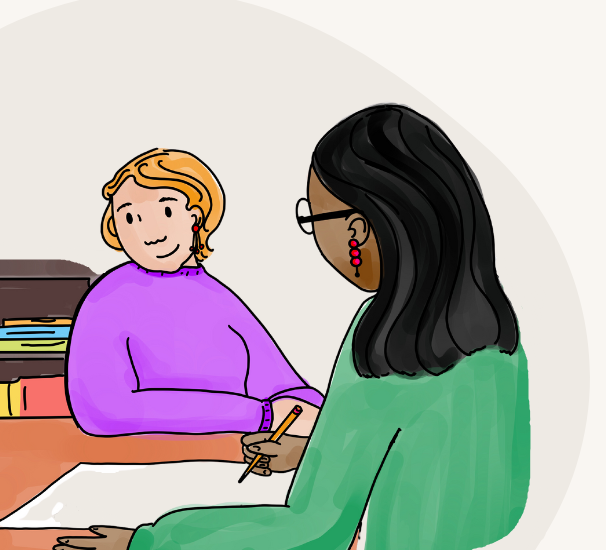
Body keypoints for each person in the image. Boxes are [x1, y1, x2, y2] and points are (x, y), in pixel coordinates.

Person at [55, 105, 530, 550]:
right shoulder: (497, 340)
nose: (148, 228)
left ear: (358, 229)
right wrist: (318, 454)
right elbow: (439, 472)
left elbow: (317, 530)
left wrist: (151, 541)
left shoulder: (380, 337)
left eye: (313, 216)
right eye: (129, 215)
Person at [65, 148, 323, 437]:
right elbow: (104, 411)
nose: (148, 231)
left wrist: (318, 413)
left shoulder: (220, 300)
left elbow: (285, 390)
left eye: (165, 211)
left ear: (196, 216)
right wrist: (258, 416)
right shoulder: (106, 300)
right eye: (129, 218)